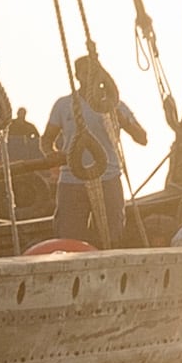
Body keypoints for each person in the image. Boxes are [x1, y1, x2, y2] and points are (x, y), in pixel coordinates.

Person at [42, 52, 151, 249]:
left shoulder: (114, 105)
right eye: (85, 73)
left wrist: (118, 116)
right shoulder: (64, 105)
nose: (90, 77)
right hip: (72, 179)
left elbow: (142, 138)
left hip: (108, 176)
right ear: (77, 76)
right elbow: (47, 139)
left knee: (113, 234)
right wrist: (52, 155)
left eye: (94, 72)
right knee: (68, 237)